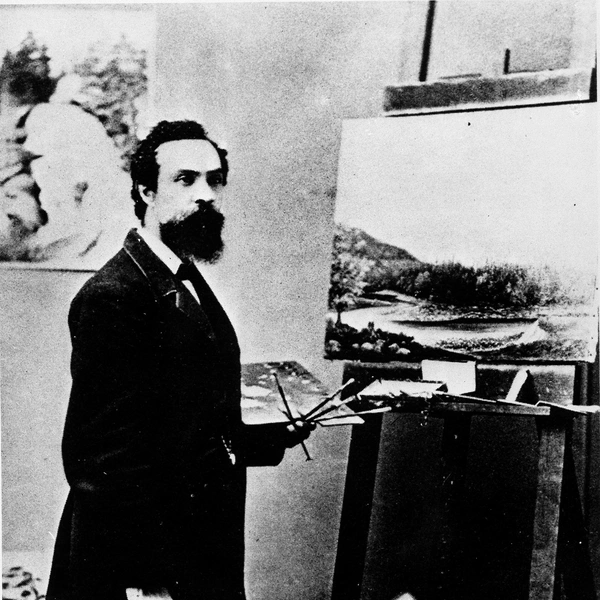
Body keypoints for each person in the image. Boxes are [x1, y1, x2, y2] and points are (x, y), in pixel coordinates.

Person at [46, 120, 314, 600]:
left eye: (214, 180)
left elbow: (186, 422)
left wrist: (268, 432)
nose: (206, 194)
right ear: (146, 191)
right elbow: (101, 460)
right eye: (185, 179)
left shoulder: (181, 274)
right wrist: (146, 579)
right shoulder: (115, 294)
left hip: (198, 540)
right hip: (145, 557)